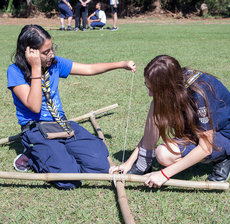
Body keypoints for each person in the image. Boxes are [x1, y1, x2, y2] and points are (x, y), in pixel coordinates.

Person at [7, 24, 136, 190]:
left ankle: (58, 154)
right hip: (35, 128)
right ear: (29, 52)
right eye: (46, 52)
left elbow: (89, 69)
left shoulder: (55, 63)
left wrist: (121, 64)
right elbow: (35, 106)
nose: (51, 54)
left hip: (60, 124)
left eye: (52, 49)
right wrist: (36, 68)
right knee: (68, 180)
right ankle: (32, 155)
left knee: (101, 165)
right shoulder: (15, 71)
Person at [110, 55, 230, 188]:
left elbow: (206, 146)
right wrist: (129, 162)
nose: (149, 93)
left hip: (225, 136)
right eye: (147, 86)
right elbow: (153, 128)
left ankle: (224, 157)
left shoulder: (199, 95)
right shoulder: (176, 80)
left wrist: (164, 174)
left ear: (167, 86)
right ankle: (144, 163)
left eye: (153, 89)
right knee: (162, 153)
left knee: (178, 153)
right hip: (197, 131)